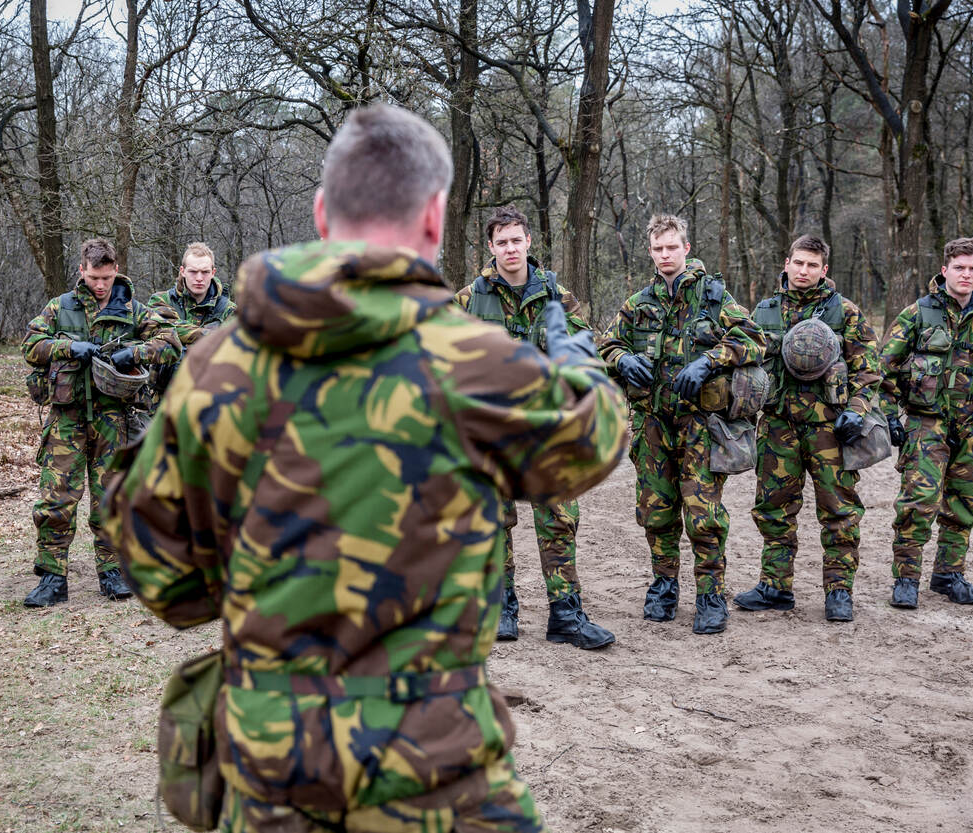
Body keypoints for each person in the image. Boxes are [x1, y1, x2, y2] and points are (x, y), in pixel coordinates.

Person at [105, 104, 628, 832]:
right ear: (435, 219)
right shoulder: (478, 362)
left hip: (273, 771)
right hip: (434, 773)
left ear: (323, 213)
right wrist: (577, 363)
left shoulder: (217, 365)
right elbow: (594, 441)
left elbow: (167, 584)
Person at [452, 204, 616, 649]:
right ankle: (501, 609)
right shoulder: (468, 300)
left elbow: (586, 352)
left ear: (528, 242)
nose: (510, 248)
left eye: (516, 240)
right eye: (501, 242)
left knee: (559, 520)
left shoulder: (556, 297)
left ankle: (566, 613)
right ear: (490, 247)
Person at [600, 214, 766, 634]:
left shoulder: (713, 297)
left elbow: (754, 339)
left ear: (686, 248)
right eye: (658, 249)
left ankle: (711, 594)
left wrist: (710, 360)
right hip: (652, 426)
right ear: (650, 252)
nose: (665, 255)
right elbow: (606, 343)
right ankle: (664, 585)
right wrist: (623, 358)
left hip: (700, 426)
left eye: (672, 247)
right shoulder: (639, 304)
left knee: (703, 514)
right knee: (656, 512)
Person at [19, 238, 179, 607]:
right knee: (56, 499)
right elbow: (30, 345)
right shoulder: (61, 307)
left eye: (107, 277)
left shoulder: (133, 309)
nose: (101, 284)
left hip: (114, 418)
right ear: (82, 271)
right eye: (94, 277)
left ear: (116, 270)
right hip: (67, 418)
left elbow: (171, 343)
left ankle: (112, 572)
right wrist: (69, 348)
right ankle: (52, 577)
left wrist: (134, 352)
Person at [734, 235, 882, 622]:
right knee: (773, 509)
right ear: (786, 263)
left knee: (840, 511)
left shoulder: (845, 312)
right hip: (778, 426)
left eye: (812, 265)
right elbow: (746, 362)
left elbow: (868, 370)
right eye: (798, 263)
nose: (804, 271)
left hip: (830, 429)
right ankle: (775, 586)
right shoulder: (764, 312)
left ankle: (839, 591)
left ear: (824, 270)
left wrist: (857, 410)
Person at [881, 237, 973, 608]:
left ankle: (949, 574)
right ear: (944, 270)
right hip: (926, 423)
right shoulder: (917, 314)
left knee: (965, 504)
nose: (967, 274)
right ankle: (906, 578)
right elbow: (884, 368)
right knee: (917, 502)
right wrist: (887, 414)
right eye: (960, 268)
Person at [145, 241, 236, 408]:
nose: (199, 278)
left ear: (213, 272)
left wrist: (180, 338)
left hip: (211, 402)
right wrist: (214, 337)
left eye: (205, 272)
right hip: (164, 401)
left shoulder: (229, 311)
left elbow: (234, 348)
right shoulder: (160, 300)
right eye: (193, 271)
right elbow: (161, 329)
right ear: (183, 271)